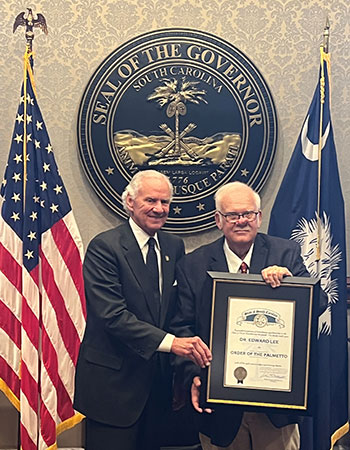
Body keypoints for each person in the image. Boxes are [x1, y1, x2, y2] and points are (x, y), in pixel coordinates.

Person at [74, 170, 211, 450]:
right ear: (129, 202)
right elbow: (112, 316)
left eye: (165, 202)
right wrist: (174, 344)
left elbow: (177, 312)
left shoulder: (174, 246)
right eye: (151, 200)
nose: (159, 209)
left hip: (158, 390)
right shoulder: (105, 247)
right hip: (114, 389)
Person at [171, 181, 311, 450]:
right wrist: (193, 374)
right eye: (232, 215)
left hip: (275, 409)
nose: (241, 221)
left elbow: (318, 305)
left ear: (259, 218)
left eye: (248, 214)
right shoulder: (193, 265)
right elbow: (183, 328)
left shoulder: (286, 254)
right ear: (218, 220)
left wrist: (293, 284)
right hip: (220, 406)